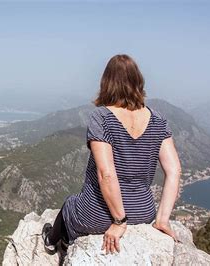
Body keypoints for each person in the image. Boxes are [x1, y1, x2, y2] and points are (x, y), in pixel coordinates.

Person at [42, 54, 182, 255]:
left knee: (70, 204)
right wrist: (162, 220)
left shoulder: (102, 117)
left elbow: (106, 173)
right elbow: (175, 170)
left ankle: (51, 241)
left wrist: (119, 222)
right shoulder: (158, 120)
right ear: (138, 81)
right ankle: (63, 240)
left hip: (99, 213)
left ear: (106, 82)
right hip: (144, 211)